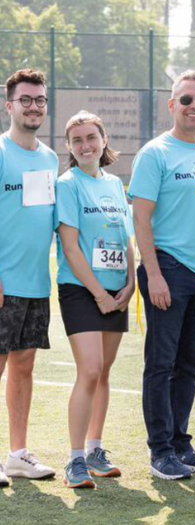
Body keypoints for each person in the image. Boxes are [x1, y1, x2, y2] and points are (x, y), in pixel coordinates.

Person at [129, 70, 195, 480]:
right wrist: (154, 274)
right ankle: (161, 451)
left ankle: (181, 445)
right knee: (161, 363)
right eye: (186, 99)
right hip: (167, 269)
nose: (194, 107)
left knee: (189, 365)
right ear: (172, 105)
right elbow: (141, 219)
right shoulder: (155, 153)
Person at [56, 111, 135, 488]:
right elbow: (70, 249)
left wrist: (131, 283)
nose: (85, 146)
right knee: (88, 369)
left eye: (91, 137)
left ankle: (95, 450)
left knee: (103, 371)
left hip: (117, 293)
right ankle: (74, 460)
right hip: (82, 291)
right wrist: (100, 294)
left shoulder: (116, 185)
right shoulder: (68, 184)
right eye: (77, 141)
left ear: (104, 140)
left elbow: (126, 239)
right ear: (69, 148)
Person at [0, 69, 58, 486]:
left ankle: (17, 454)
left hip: (36, 284)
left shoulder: (52, 158)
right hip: (2, 282)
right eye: (26, 99)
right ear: (9, 105)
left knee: (24, 366)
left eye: (39, 100)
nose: (34, 106)